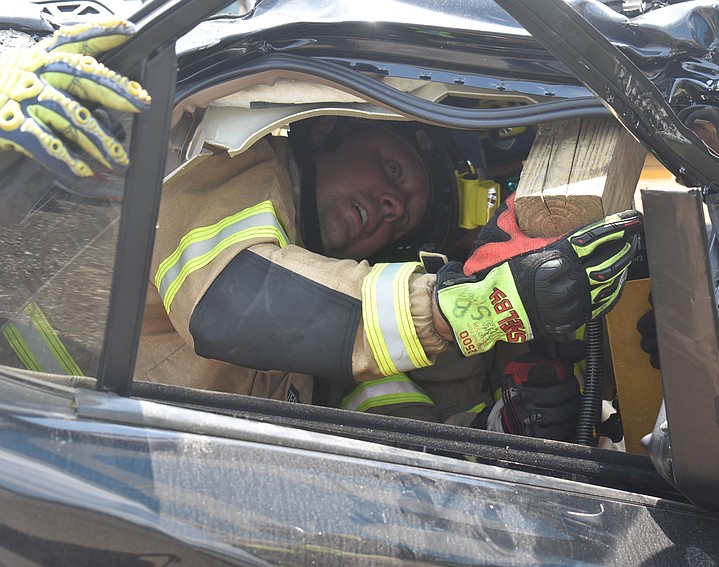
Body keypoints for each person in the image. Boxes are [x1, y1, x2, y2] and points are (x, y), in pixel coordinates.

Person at [1, 20, 644, 439]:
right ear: (332, 129)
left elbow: (385, 436)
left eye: (405, 215)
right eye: (394, 170)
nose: (392, 203)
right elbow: (235, 300)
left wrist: (504, 424)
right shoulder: (239, 170)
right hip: (34, 436)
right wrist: (476, 307)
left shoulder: (322, 303)